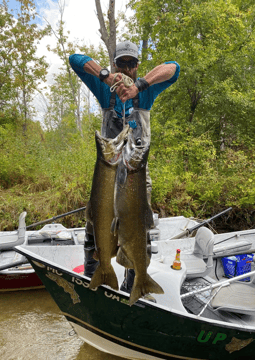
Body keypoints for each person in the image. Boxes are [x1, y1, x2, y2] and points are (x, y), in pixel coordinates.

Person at [69, 41, 180, 292]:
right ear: (115, 64)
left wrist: (141, 85)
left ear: (137, 66)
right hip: (108, 170)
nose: (127, 68)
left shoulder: (146, 92)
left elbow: (174, 68)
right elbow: (74, 59)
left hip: (137, 172)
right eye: (122, 63)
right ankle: (94, 272)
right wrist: (105, 76)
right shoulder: (104, 89)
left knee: (139, 222)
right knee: (95, 218)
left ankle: (135, 282)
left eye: (131, 64)